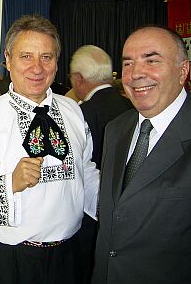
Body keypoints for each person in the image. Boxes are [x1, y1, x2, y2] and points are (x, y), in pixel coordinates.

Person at [0, 14, 99, 284]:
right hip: (8, 262)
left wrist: (117, 211)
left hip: (69, 258)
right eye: (26, 56)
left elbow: (85, 172)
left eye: (46, 57)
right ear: (8, 59)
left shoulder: (73, 111)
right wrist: (9, 184)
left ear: (57, 62)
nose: (37, 68)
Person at [92, 25, 191, 284]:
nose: (136, 74)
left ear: (183, 71)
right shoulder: (116, 129)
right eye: (128, 64)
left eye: (151, 60)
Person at [69, 45, 133, 283]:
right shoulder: (133, 108)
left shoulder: (78, 115)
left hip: (89, 222)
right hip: (130, 218)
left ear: (78, 79)